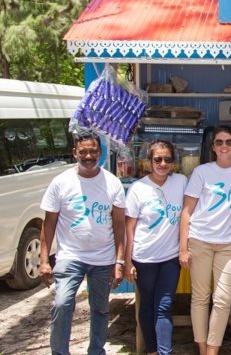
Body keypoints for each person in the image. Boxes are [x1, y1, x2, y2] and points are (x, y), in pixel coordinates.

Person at [39, 130, 126, 355]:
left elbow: (119, 225)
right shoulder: (61, 183)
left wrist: (119, 261)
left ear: (101, 153)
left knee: (100, 309)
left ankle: (96, 351)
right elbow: (48, 224)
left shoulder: (112, 183)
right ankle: (59, 352)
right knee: (62, 304)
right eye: (83, 151)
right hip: (71, 257)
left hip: (103, 259)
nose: (88, 156)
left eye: (93, 151)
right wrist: (44, 261)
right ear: (74, 153)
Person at [179, 125, 231, 355]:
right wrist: (183, 248)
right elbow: (187, 211)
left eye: (228, 142)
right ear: (212, 147)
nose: (224, 146)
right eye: (219, 142)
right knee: (200, 298)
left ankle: (213, 349)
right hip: (200, 240)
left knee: (223, 300)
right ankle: (203, 349)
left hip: (228, 243)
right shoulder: (202, 172)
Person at [124, 140, 187, 355]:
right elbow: (129, 228)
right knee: (148, 305)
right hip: (144, 259)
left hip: (170, 258)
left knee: (164, 306)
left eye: (167, 159)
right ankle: (151, 351)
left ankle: (164, 352)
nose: (162, 163)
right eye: (157, 159)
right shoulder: (138, 188)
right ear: (149, 162)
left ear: (173, 161)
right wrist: (127, 261)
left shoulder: (181, 182)